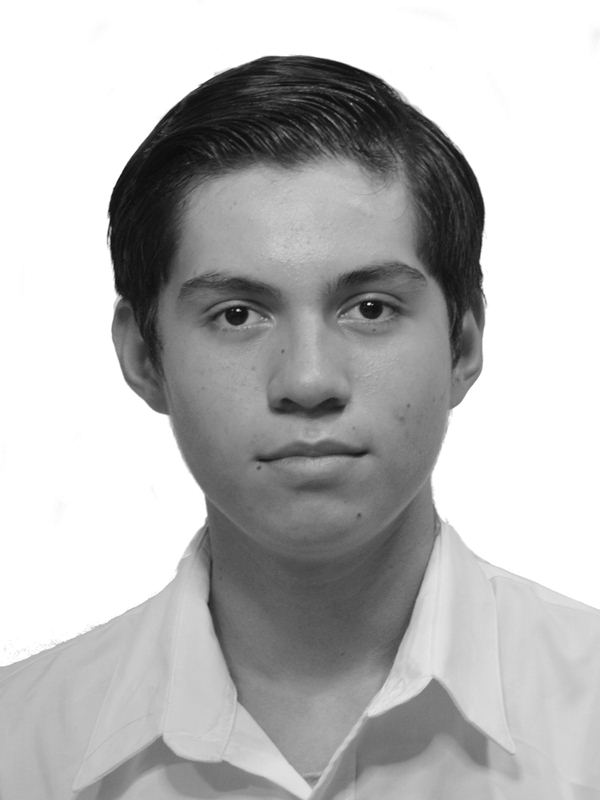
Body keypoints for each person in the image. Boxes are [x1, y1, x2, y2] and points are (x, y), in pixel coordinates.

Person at [1, 54, 599, 800]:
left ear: (465, 343)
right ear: (143, 356)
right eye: (237, 315)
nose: (309, 381)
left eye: (371, 308)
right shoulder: (17, 746)